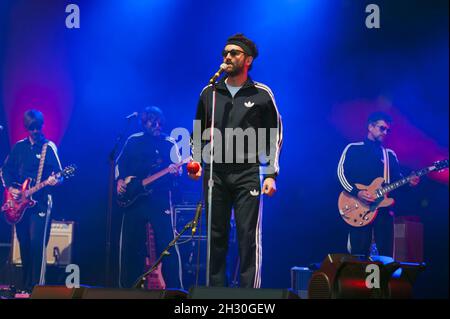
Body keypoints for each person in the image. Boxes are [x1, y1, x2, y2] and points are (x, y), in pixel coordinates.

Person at [188, 33, 283, 288]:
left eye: (234, 53)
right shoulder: (210, 92)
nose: (227, 57)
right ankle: (214, 295)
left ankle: (248, 296)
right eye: (225, 53)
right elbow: (198, 129)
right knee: (215, 236)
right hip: (214, 173)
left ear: (248, 60)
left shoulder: (261, 93)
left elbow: (273, 135)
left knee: (247, 236)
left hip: (248, 173)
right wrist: (196, 161)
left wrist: (271, 174)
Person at [115, 106, 182, 288]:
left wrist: (176, 172)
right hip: (134, 199)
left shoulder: (169, 142)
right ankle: (128, 289)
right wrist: (119, 180)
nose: (158, 125)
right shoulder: (132, 141)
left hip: (159, 199)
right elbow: (119, 163)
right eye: (153, 122)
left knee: (168, 244)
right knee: (129, 245)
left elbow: (179, 170)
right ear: (144, 123)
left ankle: (176, 290)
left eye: (160, 122)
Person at [337, 111, 420, 257]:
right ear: (370, 127)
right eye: (382, 128)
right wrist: (357, 192)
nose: (385, 132)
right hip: (359, 208)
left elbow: (396, 180)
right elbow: (340, 174)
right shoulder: (353, 148)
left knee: (385, 256)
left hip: (383, 212)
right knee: (359, 255)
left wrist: (409, 183)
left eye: (387, 130)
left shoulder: (389, 155)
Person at [1, 109, 63, 291]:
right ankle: (25, 286)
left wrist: (55, 180)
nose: (35, 131)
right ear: (26, 128)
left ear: (42, 125)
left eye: (38, 127)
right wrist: (12, 188)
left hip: (41, 202)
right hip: (21, 202)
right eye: (31, 128)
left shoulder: (48, 147)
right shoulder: (18, 147)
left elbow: (60, 176)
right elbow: (5, 170)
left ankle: (38, 288)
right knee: (24, 243)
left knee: (37, 244)